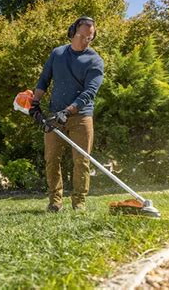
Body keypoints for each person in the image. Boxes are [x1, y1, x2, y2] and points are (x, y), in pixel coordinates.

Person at [29, 16, 104, 212]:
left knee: (82, 160)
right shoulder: (58, 54)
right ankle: (55, 202)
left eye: (90, 37)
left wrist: (68, 111)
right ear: (72, 32)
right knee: (52, 158)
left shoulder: (95, 61)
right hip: (55, 116)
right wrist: (34, 103)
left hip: (81, 117)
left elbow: (89, 93)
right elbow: (44, 79)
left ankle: (79, 203)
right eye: (82, 35)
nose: (85, 40)